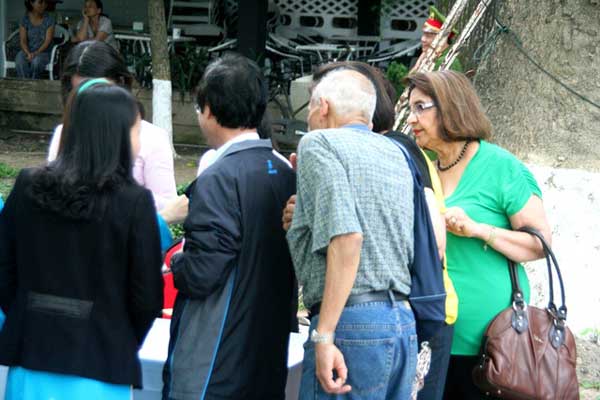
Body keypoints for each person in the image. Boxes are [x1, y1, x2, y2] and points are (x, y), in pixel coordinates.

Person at [281, 62, 455, 400]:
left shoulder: (320, 144)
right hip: (403, 323)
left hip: (351, 324)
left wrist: (324, 336)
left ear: (323, 107)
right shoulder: (398, 152)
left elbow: (348, 237)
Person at [0, 79, 163, 399]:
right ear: (114, 134)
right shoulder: (134, 202)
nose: (139, 143)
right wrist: (116, 333)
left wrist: (31, 314)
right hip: (101, 367)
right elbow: (146, 297)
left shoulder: (28, 185)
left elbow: (4, 271)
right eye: (136, 131)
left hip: (31, 357)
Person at [404, 70, 551, 399]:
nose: (411, 119)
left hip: (490, 343)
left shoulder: (501, 167)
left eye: (420, 107)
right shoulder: (418, 165)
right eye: (409, 108)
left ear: (450, 108)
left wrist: (478, 229)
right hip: (429, 331)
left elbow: (540, 244)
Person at [162, 53, 297, 399]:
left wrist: (177, 262)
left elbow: (202, 272)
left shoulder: (218, 178)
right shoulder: (285, 172)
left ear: (209, 109)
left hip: (217, 361)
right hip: (265, 356)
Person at [48, 40, 177, 211]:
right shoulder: (63, 133)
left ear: (121, 83)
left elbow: (169, 208)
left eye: (100, 89)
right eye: (82, 93)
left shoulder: (152, 138)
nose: (94, 101)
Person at [410, 5, 462, 73]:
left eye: (428, 36)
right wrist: (418, 63)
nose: (423, 39)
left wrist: (417, 66)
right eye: (424, 34)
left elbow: (414, 83)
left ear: (443, 39)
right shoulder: (432, 58)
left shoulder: (444, 61)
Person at [16, 0, 55, 79]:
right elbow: (23, 40)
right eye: (40, 2)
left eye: (45, 2)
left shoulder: (50, 20)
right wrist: (28, 53)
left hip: (44, 52)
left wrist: (36, 53)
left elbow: (48, 41)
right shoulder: (24, 19)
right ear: (31, 3)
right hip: (28, 50)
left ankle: (34, 84)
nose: (44, 5)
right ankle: (24, 83)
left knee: (36, 62)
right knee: (19, 58)